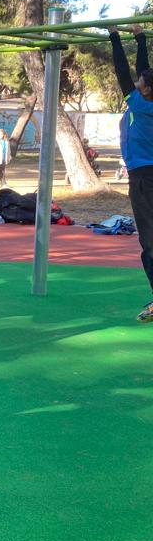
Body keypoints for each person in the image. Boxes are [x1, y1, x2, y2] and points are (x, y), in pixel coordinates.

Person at [109, 24, 153, 322]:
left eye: (141, 82)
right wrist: (140, 38)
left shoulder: (138, 103)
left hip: (144, 178)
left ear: (146, 89)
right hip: (147, 174)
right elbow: (144, 70)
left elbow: (123, 70)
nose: (136, 83)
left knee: (149, 241)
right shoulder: (145, 99)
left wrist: (114, 36)